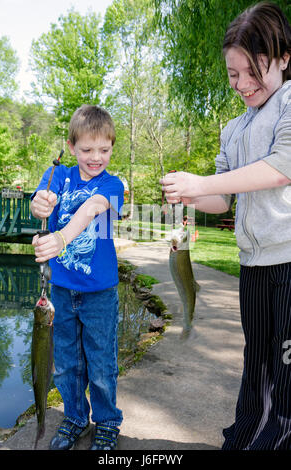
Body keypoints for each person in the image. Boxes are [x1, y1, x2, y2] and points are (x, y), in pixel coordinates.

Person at [161, 2, 291, 450]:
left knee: (286, 364)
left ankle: (280, 435)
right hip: (252, 264)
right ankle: (246, 434)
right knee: (255, 358)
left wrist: (205, 180)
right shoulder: (233, 129)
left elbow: (281, 167)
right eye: (233, 74)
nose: (242, 83)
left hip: (289, 261)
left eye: (252, 70)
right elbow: (222, 199)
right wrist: (191, 194)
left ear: (284, 58)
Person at [31, 104, 124, 450]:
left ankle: (107, 422)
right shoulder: (58, 176)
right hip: (61, 291)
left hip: (100, 292)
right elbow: (39, 206)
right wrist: (38, 206)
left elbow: (90, 209)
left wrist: (61, 239)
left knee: (101, 362)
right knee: (67, 363)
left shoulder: (113, 184)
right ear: (71, 147)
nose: (96, 157)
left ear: (112, 147)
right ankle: (73, 417)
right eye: (87, 149)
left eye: (104, 149)